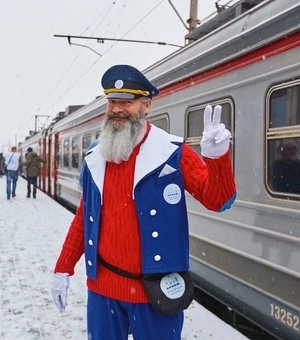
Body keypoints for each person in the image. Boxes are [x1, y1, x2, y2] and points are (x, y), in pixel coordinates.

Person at [51, 64, 236, 340]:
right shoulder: (96, 157)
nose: (117, 109)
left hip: (155, 294)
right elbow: (84, 217)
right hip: (103, 292)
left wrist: (217, 156)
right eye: (112, 101)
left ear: (146, 106)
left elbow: (218, 200)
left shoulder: (172, 152)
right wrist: (63, 267)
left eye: (127, 102)